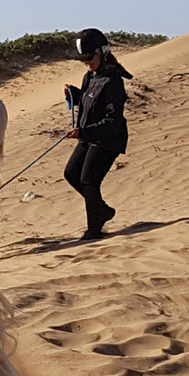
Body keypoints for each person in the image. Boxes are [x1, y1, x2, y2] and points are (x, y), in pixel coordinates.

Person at [63, 28, 133, 241]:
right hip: (89, 136)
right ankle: (101, 210)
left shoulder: (113, 81)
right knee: (71, 174)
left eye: (89, 58)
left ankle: (95, 228)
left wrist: (84, 131)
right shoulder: (89, 76)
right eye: (83, 59)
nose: (87, 63)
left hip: (108, 139)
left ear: (102, 52)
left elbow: (113, 120)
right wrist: (75, 94)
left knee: (88, 180)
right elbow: (88, 99)